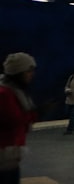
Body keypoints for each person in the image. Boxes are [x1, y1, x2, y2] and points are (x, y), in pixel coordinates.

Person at [0, 52, 37, 184]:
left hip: (10, 157)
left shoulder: (17, 90)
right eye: (28, 71)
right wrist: (36, 114)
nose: (31, 74)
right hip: (4, 155)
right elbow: (13, 120)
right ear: (18, 72)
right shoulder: (4, 93)